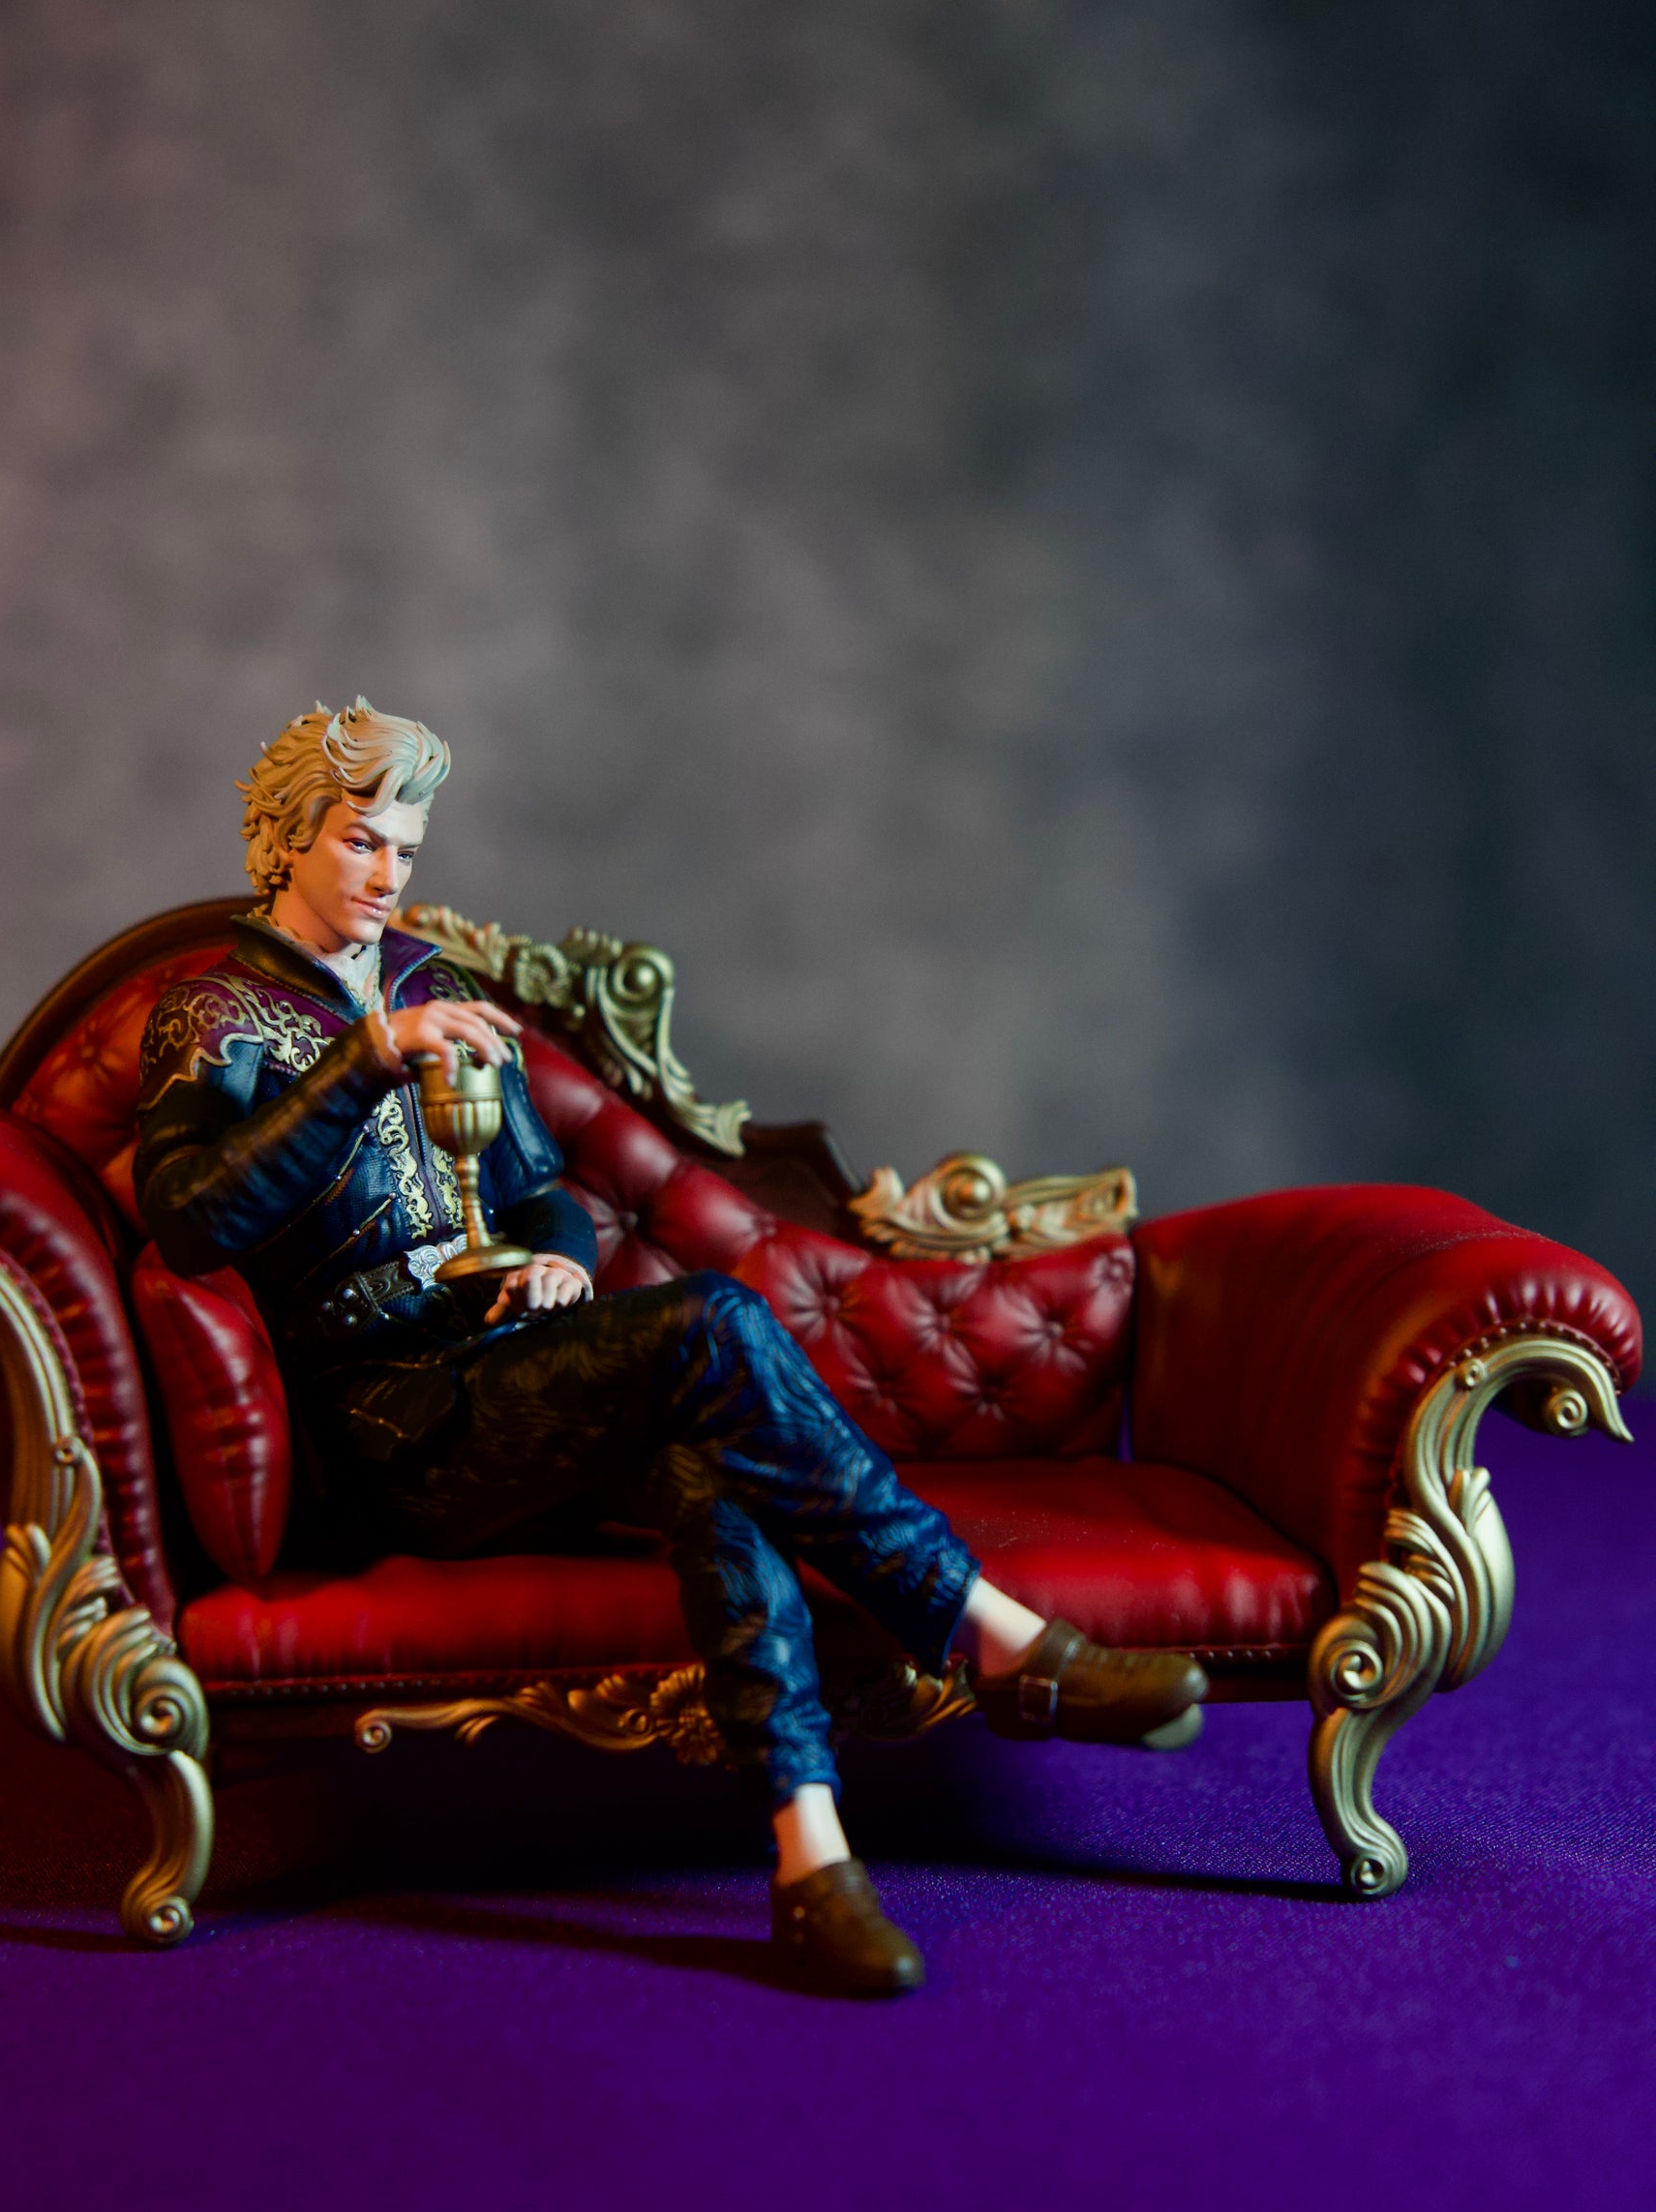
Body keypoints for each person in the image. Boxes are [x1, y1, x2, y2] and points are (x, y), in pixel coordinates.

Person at [135, 699, 1207, 1995]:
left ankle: (812, 1865)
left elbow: (541, 1192)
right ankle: (997, 1638)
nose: (387, 876)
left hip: (512, 1374)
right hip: (393, 1426)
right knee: (714, 1318)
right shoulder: (216, 1012)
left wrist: (559, 1262)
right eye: (361, 842)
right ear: (286, 839)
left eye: (406, 850)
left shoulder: (434, 985)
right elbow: (191, 1219)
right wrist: (361, 1060)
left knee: (716, 1467)